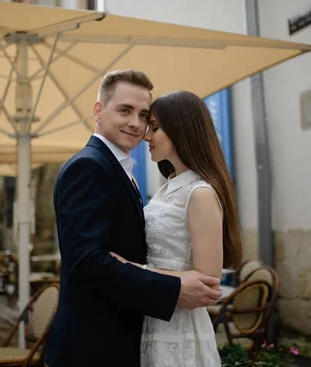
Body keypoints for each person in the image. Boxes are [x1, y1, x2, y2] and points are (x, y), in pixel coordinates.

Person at [46, 70, 223, 367]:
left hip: (129, 338)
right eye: (125, 110)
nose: (136, 124)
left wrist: (135, 267)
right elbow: (86, 263)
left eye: (144, 116)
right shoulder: (89, 167)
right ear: (98, 110)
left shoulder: (123, 171)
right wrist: (172, 286)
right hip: (93, 347)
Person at [110, 91, 242, 366]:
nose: (147, 136)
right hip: (153, 316)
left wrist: (132, 269)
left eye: (155, 128)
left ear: (182, 129)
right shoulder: (168, 187)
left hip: (178, 327)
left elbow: (208, 283)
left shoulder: (200, 193)